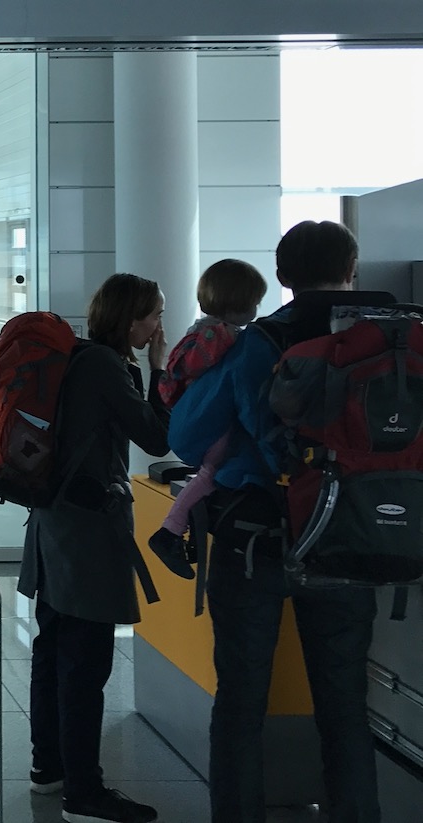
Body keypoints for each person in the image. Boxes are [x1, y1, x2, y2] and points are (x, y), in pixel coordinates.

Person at [168, 220, 382, 823]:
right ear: (352, 269)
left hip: (256, 542)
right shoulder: (393, 336)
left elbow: (185, 435)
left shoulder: (262, 341)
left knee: (241, 701)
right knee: (346, 706)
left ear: (283, 277)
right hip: (354, 536)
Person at [20, 272, 169, 823]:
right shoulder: (108, 366)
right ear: (131, 320)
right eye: (154, 315)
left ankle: (49, 770)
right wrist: (159, 371)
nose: (159, 327)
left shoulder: (79, 358)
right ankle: (84, 792)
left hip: (55, 523)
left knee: (53, 649)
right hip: (87, 534)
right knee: (86, 663)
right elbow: (156, 437)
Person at [146, 259, 269, 578]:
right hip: (212, 426)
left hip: (198, 420)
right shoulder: (222, 337)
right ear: (239, 304)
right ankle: (170, 531)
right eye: (254, 302)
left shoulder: (202, 330)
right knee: (210, 475)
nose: (257, 309)